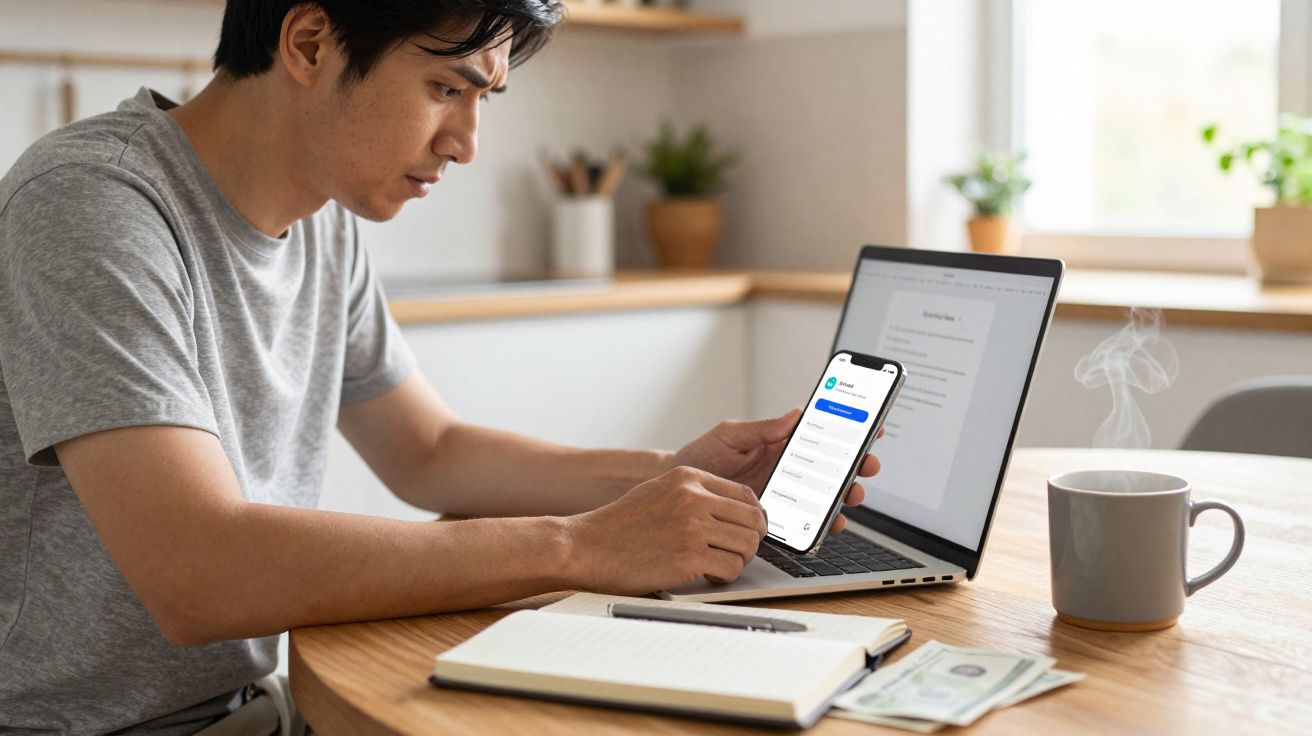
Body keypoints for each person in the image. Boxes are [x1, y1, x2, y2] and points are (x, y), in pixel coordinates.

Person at [0, 1, 880, 733]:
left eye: (483, 96)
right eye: (444, 87)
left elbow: (430, 450)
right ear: (309, 43)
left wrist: (668, 478)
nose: (465, 141)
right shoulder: (92, 206)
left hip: (245, 710)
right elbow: (199, 571)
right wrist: (581, 545)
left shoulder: (322, 219)